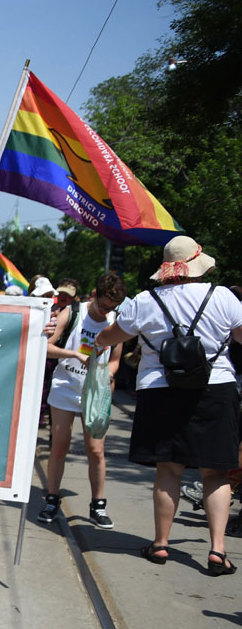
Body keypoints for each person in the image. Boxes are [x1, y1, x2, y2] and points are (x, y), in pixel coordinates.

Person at [96, 236, 242, 576]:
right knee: (216, 472)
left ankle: (160, 544)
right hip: (214, 389)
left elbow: (113, 336)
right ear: (197, 266)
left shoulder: (145, 301)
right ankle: (218, 550)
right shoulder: (221, 296)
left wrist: (100, 343)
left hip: (159, 390)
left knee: (169, 469)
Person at [37, 273, 126, 528]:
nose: (105, 312)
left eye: (111, 308)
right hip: (66, 387)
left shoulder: (115, 321)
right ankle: (52, 498)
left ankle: (97, 505)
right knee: (60, 446)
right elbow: (47, 346)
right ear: (94, 295)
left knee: (96, 450)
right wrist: (74, 354)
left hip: (95, 392)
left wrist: (108, 372)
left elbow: (116, 359)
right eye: (103, 305)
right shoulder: (73, 313)